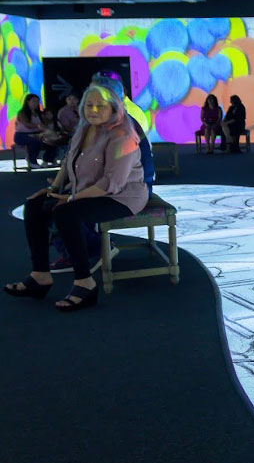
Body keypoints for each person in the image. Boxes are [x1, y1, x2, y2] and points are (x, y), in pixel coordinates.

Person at [4, 81, 148, 310]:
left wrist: (71, 198)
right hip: (87, 190)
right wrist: (54, 190)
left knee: (65, 213)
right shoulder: (84, 128)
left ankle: (85, 283)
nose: (93, 110)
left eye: (100, 106)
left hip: (121, 197)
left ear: (114, 108)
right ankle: (40, 275)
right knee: (34, 205)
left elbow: (112, 183)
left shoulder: (123, 135)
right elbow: (67, 163)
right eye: (89, 105)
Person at [14, 94, 58, 168]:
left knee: (53, 140)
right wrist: (38, 126)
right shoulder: (22, 113)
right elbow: (27, 124)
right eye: (34, 101)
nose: (36, 103)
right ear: (28, 102)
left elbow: (45, 123)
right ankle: (32, 160)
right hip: (22, 135)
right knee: (35, 141)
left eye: (37, 101)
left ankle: (48, 159)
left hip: (37, 134)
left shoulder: (39, 114)